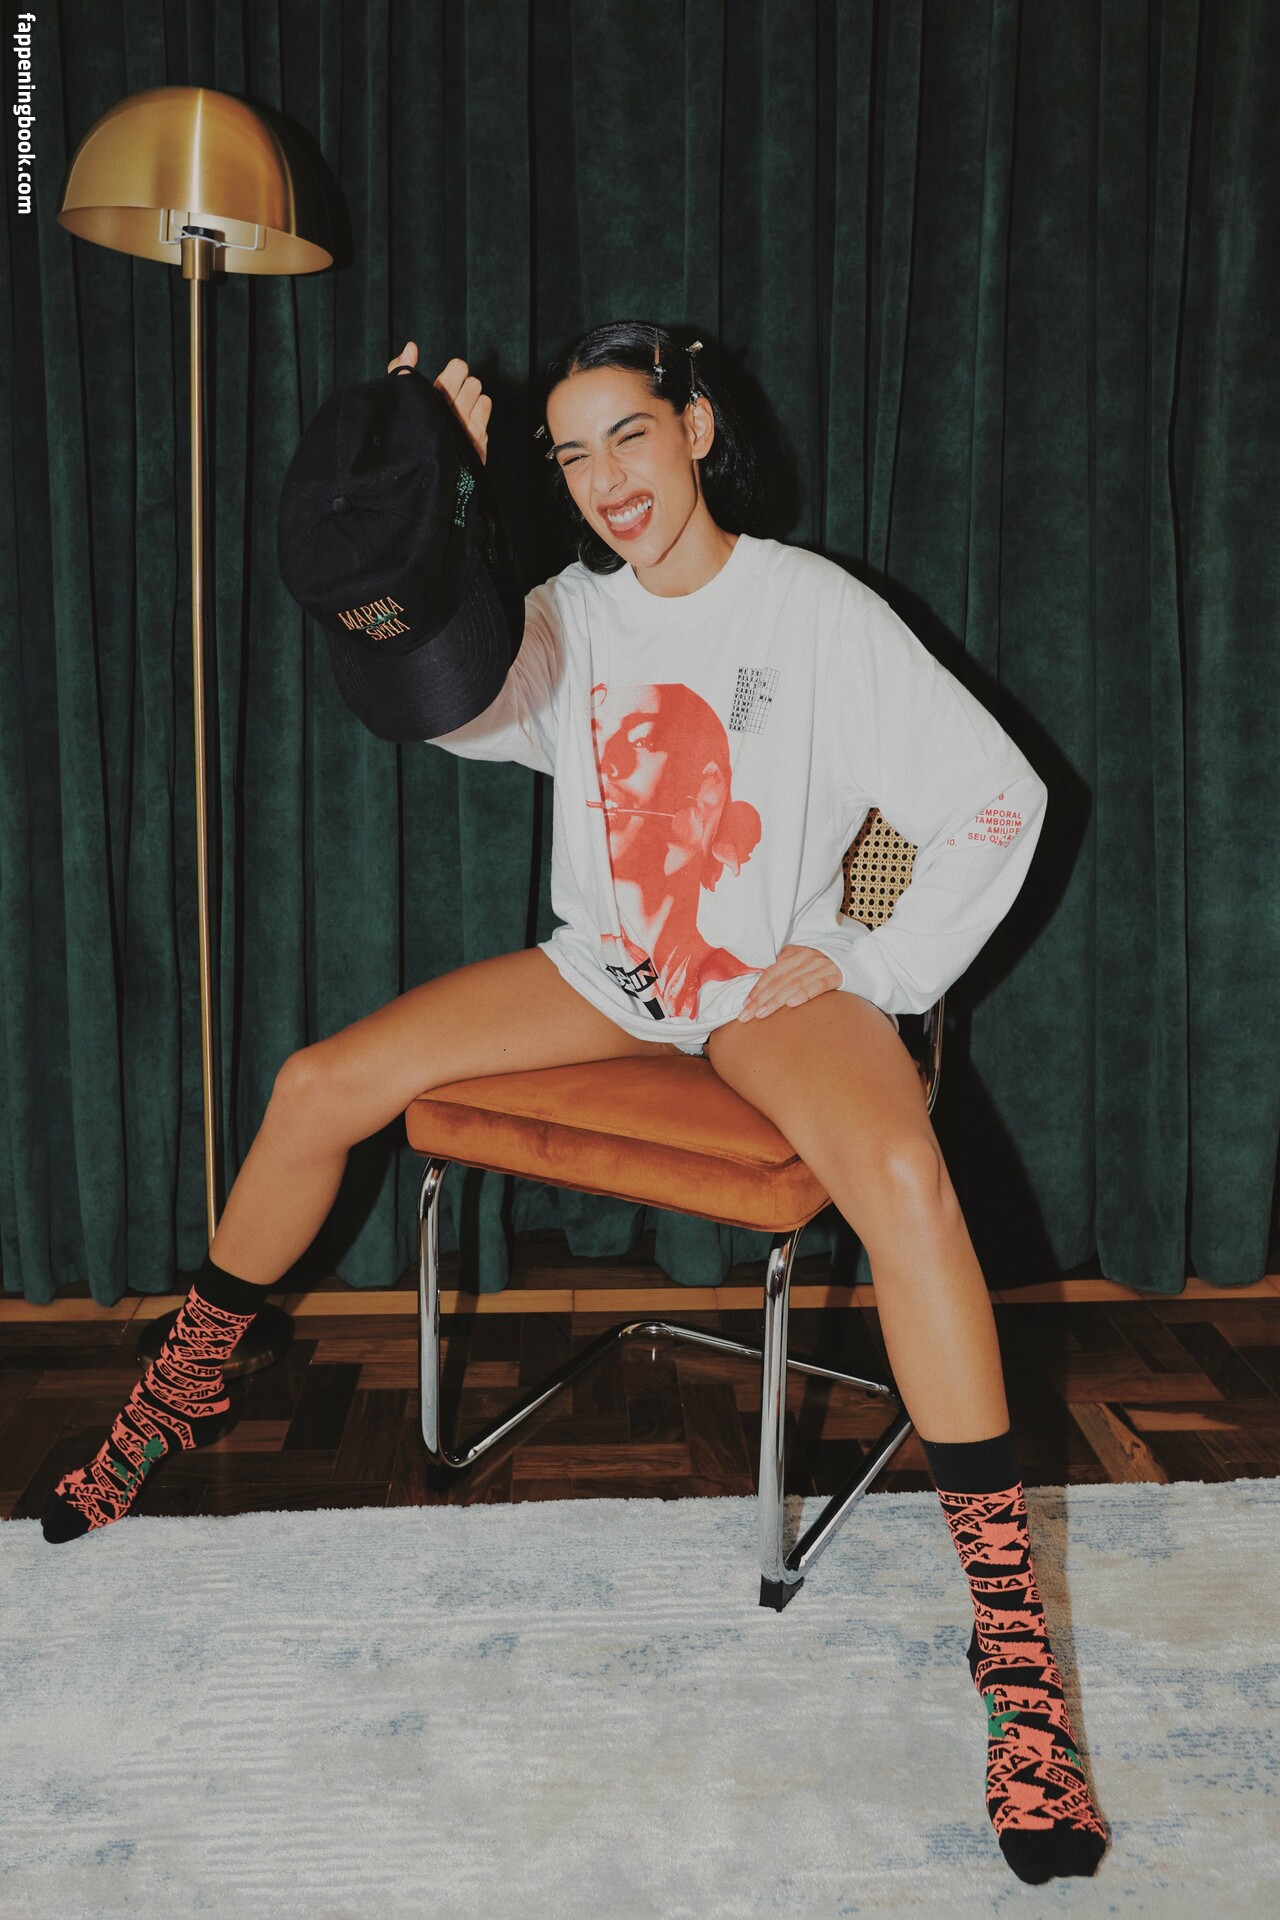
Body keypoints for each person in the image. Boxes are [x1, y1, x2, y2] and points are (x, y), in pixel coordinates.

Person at [41, 322, 1106, 1887]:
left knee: (903, 1175)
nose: (606, 478)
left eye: (630, 435)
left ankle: (1013, 1658)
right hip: (608, 975)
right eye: (571, 453)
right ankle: (185, 1386)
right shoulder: (567, 616)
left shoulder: (813, 608)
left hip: (764, 997)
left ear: (698, 427)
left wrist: (866, 955)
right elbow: (437, 697)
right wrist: (429, 483)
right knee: (319, 1082)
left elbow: (997, 797)